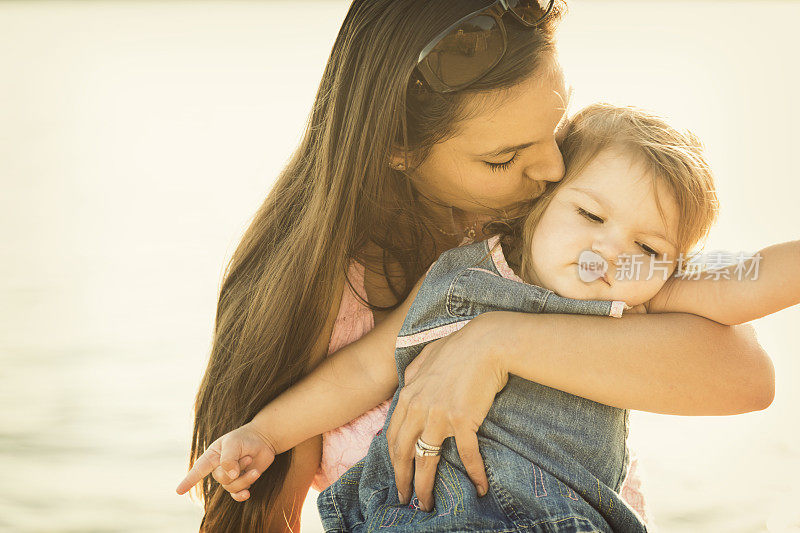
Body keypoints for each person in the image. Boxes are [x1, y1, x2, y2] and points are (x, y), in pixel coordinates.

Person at [178, 2, 774, 532]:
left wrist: (494, 345)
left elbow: (747, 374)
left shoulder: (570, 225)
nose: (550, 170)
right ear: (399, 149)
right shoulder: (316, 298)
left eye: (555, 132)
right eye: (503, 157)